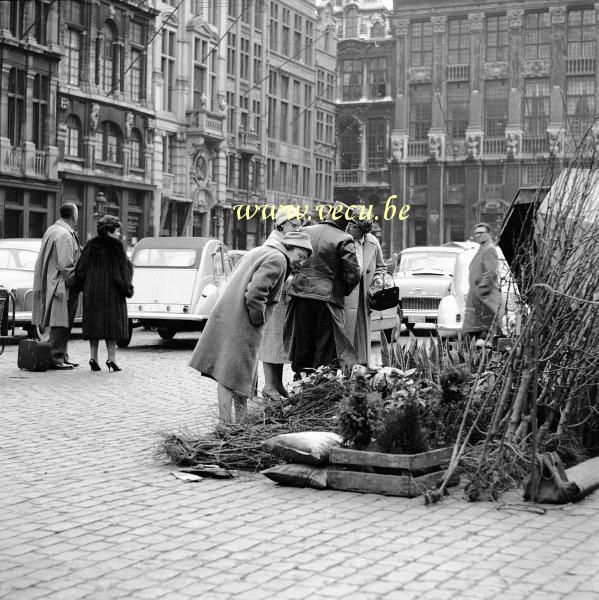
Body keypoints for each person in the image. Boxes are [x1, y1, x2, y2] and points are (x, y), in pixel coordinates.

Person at [189, 231, 313, 424]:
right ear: (290, 247)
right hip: (244, 321)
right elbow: (255, 293)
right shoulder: (278, 259)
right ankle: (226, 424)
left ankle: (239, 420)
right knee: (231, 374)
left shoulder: (264, 250)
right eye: (300, 256)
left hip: (231, 314)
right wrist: (258, 319)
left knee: (239, 373)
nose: (301, 262)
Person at [286, 201, 361, 378]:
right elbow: (354, 274)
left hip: (300, 293)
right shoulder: (344, 238)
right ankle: (319, 382)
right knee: (324, 344)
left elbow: (292, 260)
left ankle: (300, 380)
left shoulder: (305, 231)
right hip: (327, 299)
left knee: (303, 340)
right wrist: (342, 290)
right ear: (345, 221)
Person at [74, 215, 133, 372]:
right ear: (110, 230)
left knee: (94, 325)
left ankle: (93, 358)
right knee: (111, 327)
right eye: (118, 231)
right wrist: (127, 289)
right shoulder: (117, 247)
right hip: (112, 293)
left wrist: (84, 286)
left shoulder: (90, 245)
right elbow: (123, 271)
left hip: (92, 292)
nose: (119, 234)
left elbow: (80, 270)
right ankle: (111, 359)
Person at [258, 207, 304, 400]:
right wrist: (291, 281)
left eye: (299, 225)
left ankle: (276, 384)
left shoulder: (283, 241)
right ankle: (269, 386)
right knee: (271, 341)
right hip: (274, 300)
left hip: (280, 299)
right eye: (293, 225)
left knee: (279, 342)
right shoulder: (274, 244)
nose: (297, 229)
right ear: (282, 224)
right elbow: (273, 273)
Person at [32, 203, 81, 370]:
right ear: (73, 215)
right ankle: (57, 357)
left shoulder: (52, 229)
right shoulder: (65, 234)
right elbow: (67, 265)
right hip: (62, 286)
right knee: (61, 323)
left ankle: (61, 355)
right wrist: (77, 281)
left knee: (58, 322)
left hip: (52, 282)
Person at [343, 213, 387, 366]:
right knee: (344, 336)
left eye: (353, 225)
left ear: (362, 230)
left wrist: (378, 278)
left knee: (362, 337)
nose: (349, 227)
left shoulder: (373, 242)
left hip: (364, 295)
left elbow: (381, 266)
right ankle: (343, 370)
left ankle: (362, 369)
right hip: (345, 294)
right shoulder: (342, 239)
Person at [463, 222, 502, 344]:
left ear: (489, 234)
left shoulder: (489, 249)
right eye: (476, 233)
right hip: (477, 301)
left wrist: (480, 291)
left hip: (483, 300)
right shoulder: (482, 249)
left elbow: (491, 272)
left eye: (481, 233)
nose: (478, 235)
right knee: (473, 334)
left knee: (480, 335)